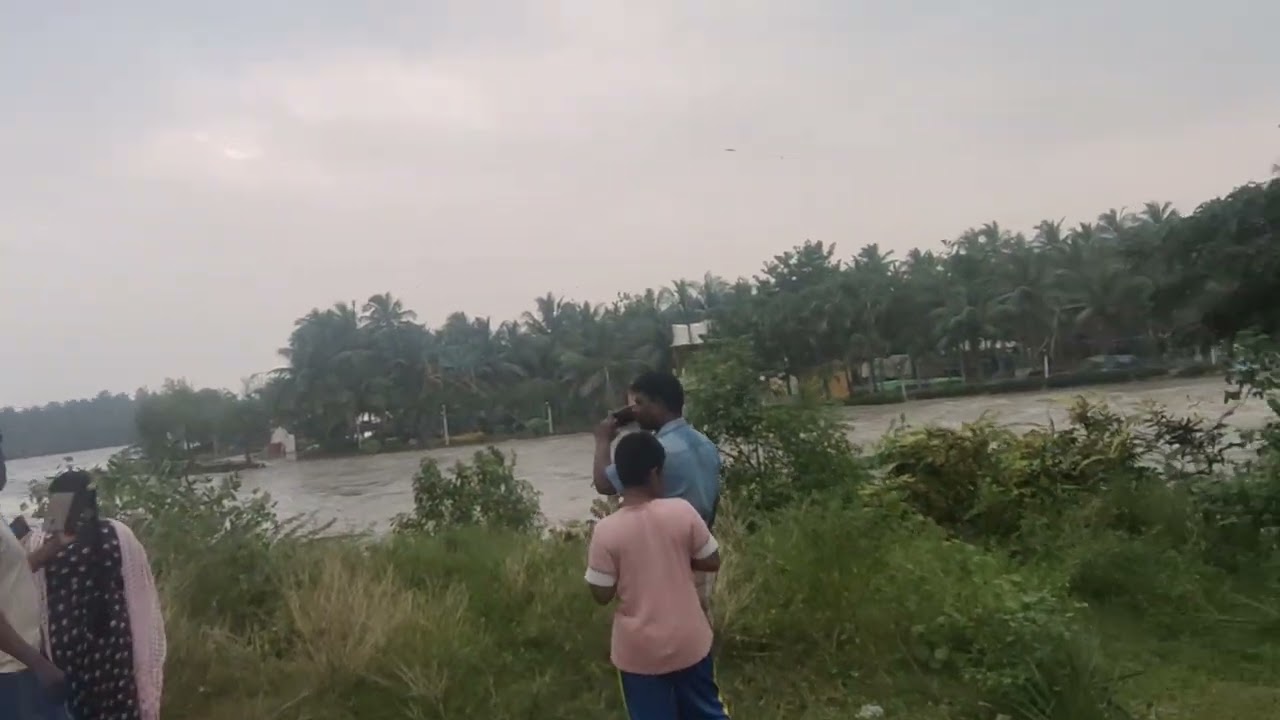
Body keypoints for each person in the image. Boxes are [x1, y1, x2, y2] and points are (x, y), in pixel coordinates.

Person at [586, 432, 730, 719]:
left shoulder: (606, 530)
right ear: (655, 473)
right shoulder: (681, 511)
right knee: (706, 710)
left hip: (639, 653)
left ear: (619, 476)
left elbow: (601, 594)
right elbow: (712, 561)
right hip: (689, 641)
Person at [25, 470, 165, 720]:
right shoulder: (115, 533)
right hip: (108, 649)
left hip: (77, 651)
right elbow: (141, 594)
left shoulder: (44, 541)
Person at [593, 371, 723, 620]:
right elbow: (713, 498)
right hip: (701, 552)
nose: (635, 411)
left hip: (665, 563)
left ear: (660, 404)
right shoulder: (706, 445)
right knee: (699, 628)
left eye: (640, 403)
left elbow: (604, 483)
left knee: (663, 633)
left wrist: (602, 441)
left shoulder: (655, 451)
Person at [0, 433, 69, 720]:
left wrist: (52, 547)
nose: (3, 466)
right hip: (11, 669)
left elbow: (9, 575)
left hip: (20, 664)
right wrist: (40, 664)